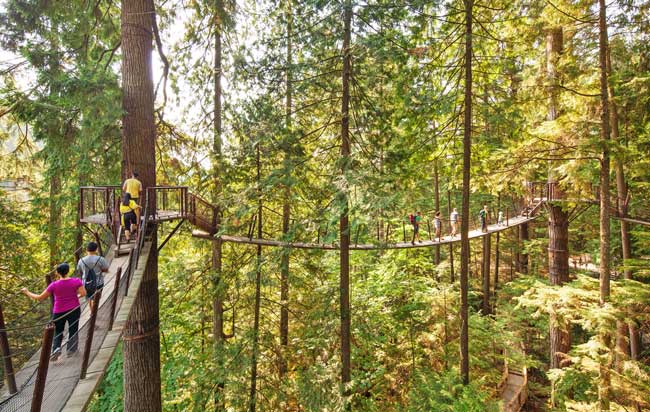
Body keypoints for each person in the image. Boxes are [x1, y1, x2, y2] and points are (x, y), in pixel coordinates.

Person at [21, 263, 86, 360]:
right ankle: (71, 351)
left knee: (58, 331)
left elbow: (39, 297)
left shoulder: (54, 285)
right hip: (74, 309)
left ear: (57, 273)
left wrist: (27, 292)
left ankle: (56, 349)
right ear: (68, 271)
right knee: (73, 329)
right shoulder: (76, 281)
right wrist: (76, 297)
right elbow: (83, 293)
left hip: (58, 311)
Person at [76, 242, 109, 312]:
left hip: (86, 283)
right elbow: (106, 269)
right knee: (96, 298)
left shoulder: (81, 260)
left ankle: (92, 313)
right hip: (98, 282)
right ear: (96, 249)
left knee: (90, 298)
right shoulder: (100, 259)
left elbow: (79, 270)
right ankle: (94, 312)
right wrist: (100, 270)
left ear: (86, 249)